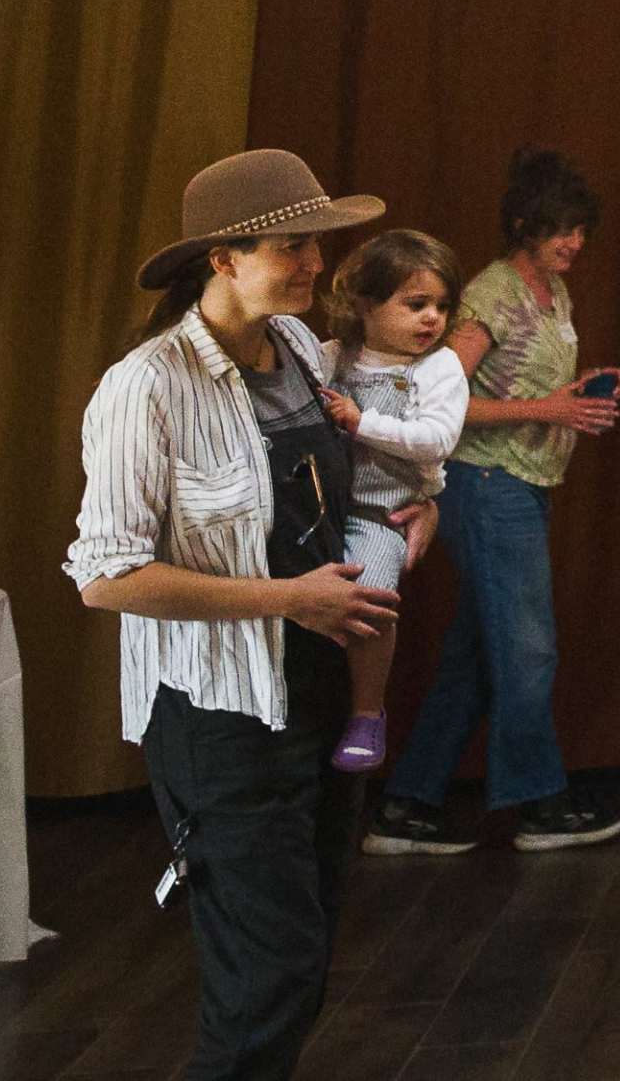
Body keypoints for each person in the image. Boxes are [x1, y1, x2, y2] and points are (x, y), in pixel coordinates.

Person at [68, 151, 403, 1081]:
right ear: (222, 258)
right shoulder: (146, 385)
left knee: (303, 954)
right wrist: (290, 598)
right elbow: (106, 576)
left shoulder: (297, 347)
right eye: (292, 245)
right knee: (266, 977)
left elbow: (318, 499)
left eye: (316, 243)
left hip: (320, 687)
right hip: (220, 714)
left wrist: (398, 518)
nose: (315, 263)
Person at [369, 146, 620, 856]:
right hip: (486, 485)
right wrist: (550, 408)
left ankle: (405, 806)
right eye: (559, 228)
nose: (572, 241)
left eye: (580, 228)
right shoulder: (493, 292)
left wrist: (578, 390)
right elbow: (439, 401)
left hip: (520, 485)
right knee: (526, 649)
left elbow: (525, 384)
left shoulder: (554, 291)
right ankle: (538, 805)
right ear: (524, 225)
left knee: (479, 655)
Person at [318, 229, 464, 776]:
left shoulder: (437, 368)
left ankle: (367, 711)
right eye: (416, 304)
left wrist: (362, 422)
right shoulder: (334, 356)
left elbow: (437, 439)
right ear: (365, 303)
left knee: (372, 598)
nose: (432, 319)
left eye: (442, 307)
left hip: (380, 512)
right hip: (320, 508)